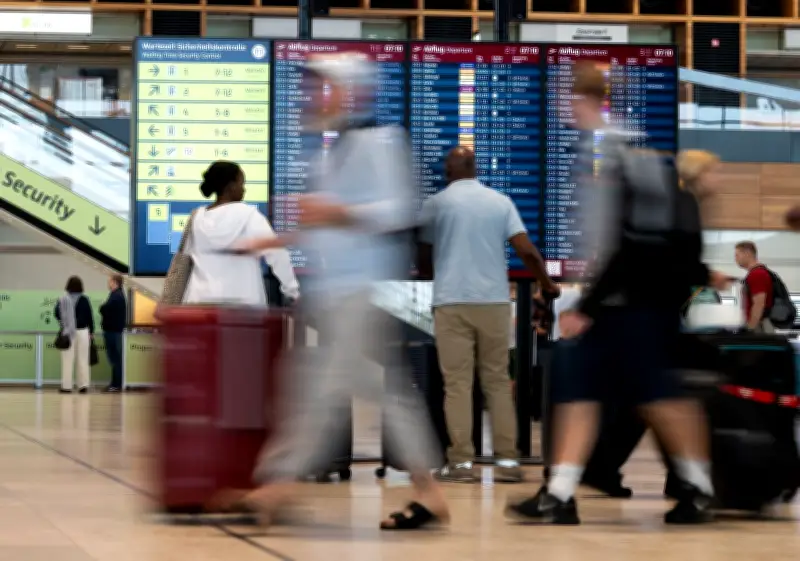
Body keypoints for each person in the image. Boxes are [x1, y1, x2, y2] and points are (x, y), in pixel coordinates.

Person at [215, 52, 449, 531]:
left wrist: (335, 214)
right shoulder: (330, 150)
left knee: (317, 388)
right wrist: (273, 240)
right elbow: (326, 222)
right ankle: (430, 493)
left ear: (351, 91)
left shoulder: (381, 141)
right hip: (338, 291)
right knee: (382, 393)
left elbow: (402, 210)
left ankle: (275, 487)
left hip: (362, 290)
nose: (311, 97)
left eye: (321, 87)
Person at [505, 62, 727, 526]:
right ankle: (560, 494)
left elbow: (623, 240)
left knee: (658, 397)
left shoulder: (611, 149)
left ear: (582, 99)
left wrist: (587, 304)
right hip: (626, 299)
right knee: (584, 392)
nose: (562, 106)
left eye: (567, 97)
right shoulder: (609, 147)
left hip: (632, 302)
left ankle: (700, 487)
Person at [416, 146, 560, 484]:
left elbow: (423, 258)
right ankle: (508, 463)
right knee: (496, 383)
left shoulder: (435, 205)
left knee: (458, 386)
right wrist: (547, 283)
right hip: (494, 302)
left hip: (451, 302)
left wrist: (433, 274)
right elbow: (526, 250)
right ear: (475, 168)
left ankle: (462, 464)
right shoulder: (500, 202)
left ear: (447, 172)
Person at [182, 161, 299, 305]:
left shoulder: (197, 218)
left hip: (199, 305)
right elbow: (277, 254)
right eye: (242, 184)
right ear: (231, 187)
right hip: (242, 309)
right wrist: (293, 291)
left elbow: (186, 260)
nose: (244, 189)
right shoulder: (249, 215)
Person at [55, 276, 94, 394]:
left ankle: (66, 386)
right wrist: (91, 331)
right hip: (82, 331)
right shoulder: (84, 299)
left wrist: (65, 324)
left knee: (67, 360)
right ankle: (83, 385)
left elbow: (57, 313)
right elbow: (89, 317)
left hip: (68, 332)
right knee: (83, 359)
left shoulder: (63, 299)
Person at [735, 241, 774, 332]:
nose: (735, 259)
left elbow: (759, 304)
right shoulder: (756, 273)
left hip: (758, 327)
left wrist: (750, 329)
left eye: (737, 255)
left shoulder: (757, 274)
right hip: (758, 325)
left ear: (747, 253)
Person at [100, 274, 126, 392]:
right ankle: (115, 383)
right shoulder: (116, 295)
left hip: (113, 332)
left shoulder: (117, 296)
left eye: (109, 281)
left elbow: (105, 309)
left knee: (115, 359)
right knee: (115, 359)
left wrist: (102, 307)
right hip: (113, 331)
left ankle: (116, 384)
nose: (108, 283)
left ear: (115, 282)